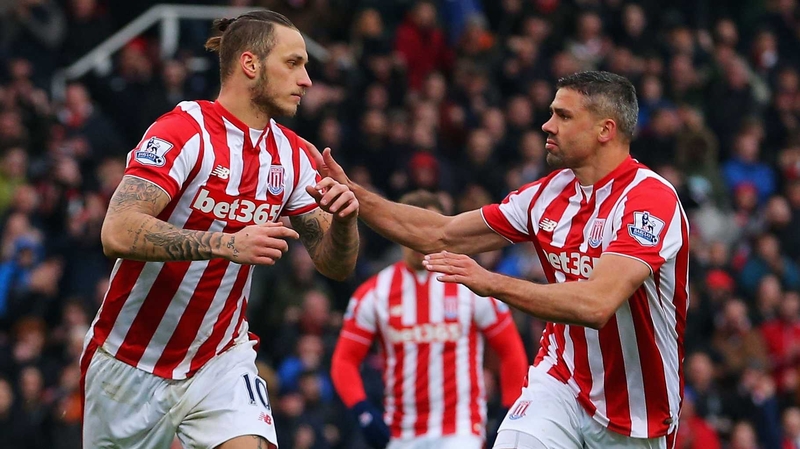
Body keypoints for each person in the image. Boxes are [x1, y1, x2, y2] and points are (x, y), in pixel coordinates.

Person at [311, 71, 689, 448]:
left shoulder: (649, 202)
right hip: (560, 380)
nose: (547, 124)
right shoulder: (547, 194)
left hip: (637, 412)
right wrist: (355, 195)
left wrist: (490, 283)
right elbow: (440, 232)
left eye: (564, 116)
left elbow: (596, 303)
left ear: (605, 130)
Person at [80, 11, 360, 449]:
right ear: (250, 65)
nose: (306, 80)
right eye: (293, 63)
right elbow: (116, 232)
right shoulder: (183, 131)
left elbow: (334, 265)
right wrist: (227, 244)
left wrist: (345, 222)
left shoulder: (293, 155)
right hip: (129, 360)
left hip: (220, 358)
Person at [330, 190, 528, 449]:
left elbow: (511, 351)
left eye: (429, 226)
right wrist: (363, 411)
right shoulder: (374, 293)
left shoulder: (470, 282)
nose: (421, 235)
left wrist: (507, 411)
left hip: (461, 430)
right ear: (398, 229)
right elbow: (344, 360)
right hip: (401, 434)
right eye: (413, 226)